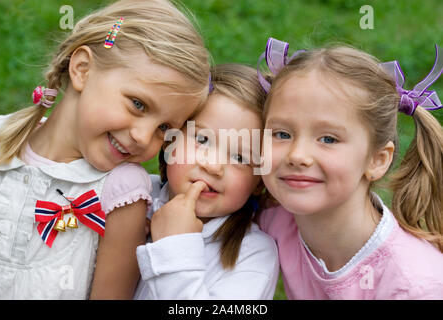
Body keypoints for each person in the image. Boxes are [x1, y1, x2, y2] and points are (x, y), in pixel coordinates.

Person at [0, 0, 210, 299]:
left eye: (164, 128)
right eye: (138, 104)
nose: (143, 137)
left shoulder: (121, 192)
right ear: (82, 69)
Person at [257, 38, 443, 299]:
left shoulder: (414, 287)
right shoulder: (275, 219)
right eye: (282, 134)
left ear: (377, 160)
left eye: (329, 139)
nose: (297, 155)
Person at [133, 64, 279, 299]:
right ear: (171, 140)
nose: (213, 166)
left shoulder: (253, 254)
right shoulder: (133, 195)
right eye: (202, 139)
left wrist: (174, 244)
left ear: (261, 182)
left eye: (240, 158)